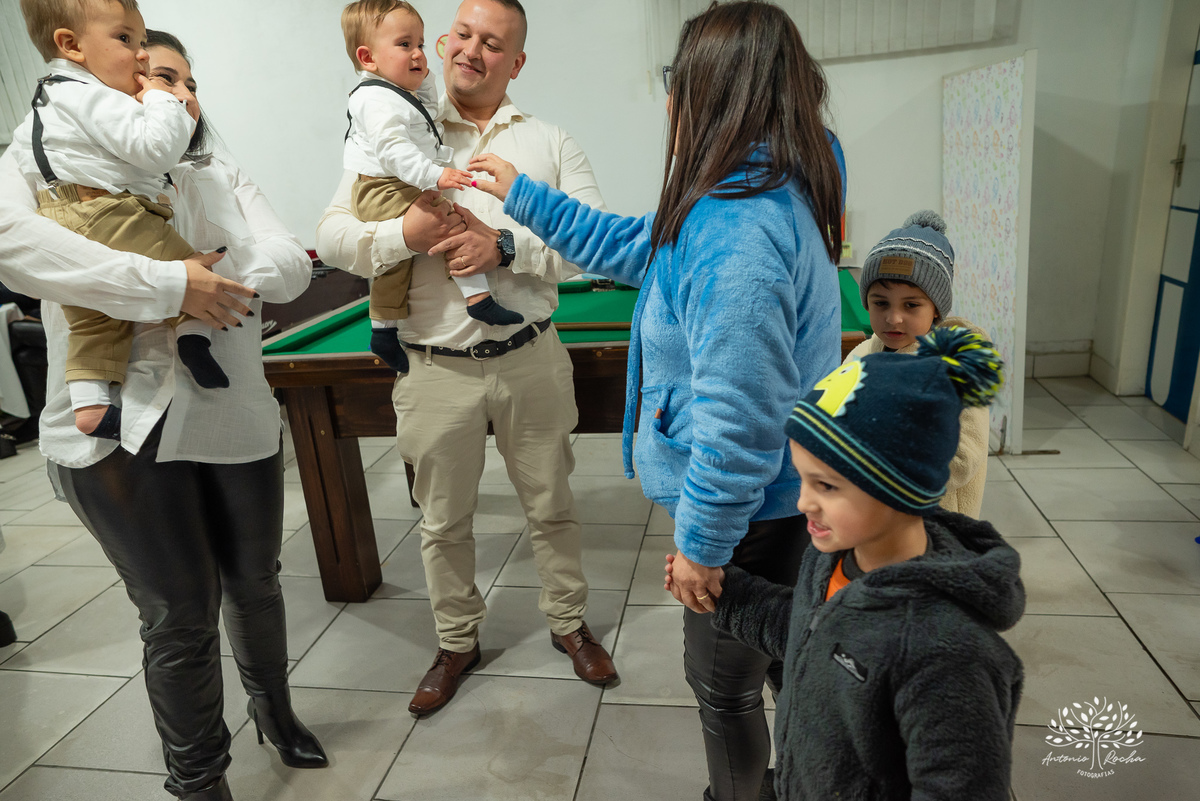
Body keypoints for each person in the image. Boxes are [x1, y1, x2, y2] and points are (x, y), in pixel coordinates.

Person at [469, 3, 845, 797]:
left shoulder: (736, 229)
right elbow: (636, 243)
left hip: (753, 518)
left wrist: (705, 547)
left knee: (725, 687)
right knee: (790, 669)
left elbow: (738, 424)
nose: (668, 98)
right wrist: (525, 195)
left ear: (712, 92)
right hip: (785, 501)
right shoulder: (760, 182)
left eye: (676, 81)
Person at [0, 28, 326, 801]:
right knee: (179, 612)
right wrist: (168, 283)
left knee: (256, 579)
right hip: (117, 424)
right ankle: (199, 780)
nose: (168, 92)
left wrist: (214, 268)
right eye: (146, 78)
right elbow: (15, 247)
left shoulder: (217, 169)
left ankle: (274, 711)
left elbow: (284, 268)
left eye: (180, 79)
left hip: (231, 410)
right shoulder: (38, 157)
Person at [315, 0, 618, 717]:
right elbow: (331, 236)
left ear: (516, 62)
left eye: (495, 43)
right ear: (445, 41)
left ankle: (569, 625)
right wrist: (404, 235)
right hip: (432, 368)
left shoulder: (550, 141)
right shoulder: (394, 119)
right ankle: (456, 641)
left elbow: (593, 243)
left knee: (553, 506)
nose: (471, 50)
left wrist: (507, 246)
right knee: (442, 521)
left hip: (532, 358)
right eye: (464, 35)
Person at [680, 327, 1023, 800]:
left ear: (899, 487)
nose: (803, 503)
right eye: (802, 479)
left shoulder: (948, 655)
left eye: (827, 486)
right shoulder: (832, 560)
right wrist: (728, 595)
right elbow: (808, 632)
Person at [14, 0, 228, 443]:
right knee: (193, 268)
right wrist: (156, 98)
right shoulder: (89, 95)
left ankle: (90, 407)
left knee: (93, 321)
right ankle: (192, 338)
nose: (142, 55)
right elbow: (157, 150)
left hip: (62, 212)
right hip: (105, 211)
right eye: (126, 39)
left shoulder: (45, 101)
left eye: (142, 41)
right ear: (70, 45)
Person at [341, 0, 521, 375]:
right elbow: (393, 151)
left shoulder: (397, 94)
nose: (419, 54)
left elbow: (425, 108)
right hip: (384, 186)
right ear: (367, 57)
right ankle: (478, 296)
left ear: (516, 63)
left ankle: (383, 328)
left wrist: (423, 75)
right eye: (405, 45)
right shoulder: (374, 100)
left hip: (394, 183)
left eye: (421, 44)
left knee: (397, 263)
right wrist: (434, 176)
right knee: (450, 219)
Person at [847, 210, 990, 516]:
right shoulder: (860, 357)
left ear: (936, 311)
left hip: (935, 527)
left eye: (911, 305)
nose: (893, 317)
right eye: (880, 303)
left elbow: (964, 457)